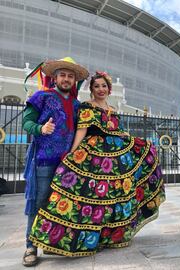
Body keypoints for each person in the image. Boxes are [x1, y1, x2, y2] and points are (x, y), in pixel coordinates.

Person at [28, 71, 165, 257]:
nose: (100, 89)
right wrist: (72, 153)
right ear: (91, 90)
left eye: (104, 86)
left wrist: (134, 141)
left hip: (115, 160)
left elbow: (119, 132)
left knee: (111, 198)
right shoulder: (87, 106)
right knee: (86, 198)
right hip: (94, 157)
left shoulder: (113, 109)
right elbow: (81, 131)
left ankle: (107, 236)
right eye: (96, 86)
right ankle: (46, 242)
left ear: (109, 89)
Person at [22, 57, 89, 267]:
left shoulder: (77, 105)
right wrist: (40, 129)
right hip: (44, 160)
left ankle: (53, 243)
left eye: (70, 76)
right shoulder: (41, 97)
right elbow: (26, 121)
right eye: (63, 75)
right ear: (55, 77)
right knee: (39, 202)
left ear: (74, 80)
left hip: (68, 164)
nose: (67, 79)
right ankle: (30, 246)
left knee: (62, 204)